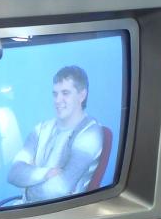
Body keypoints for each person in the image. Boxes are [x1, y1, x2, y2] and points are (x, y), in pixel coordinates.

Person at [7, 66, 103, 203]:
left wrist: (27, 185)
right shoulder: (41, 129)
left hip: (61, 213)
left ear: (82, 95)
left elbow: (59, 190)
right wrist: (46, 173)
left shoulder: (90, 133)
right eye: (55, 94)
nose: (57, 100)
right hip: (25, 207)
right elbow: (13, 173)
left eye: (65, 93)